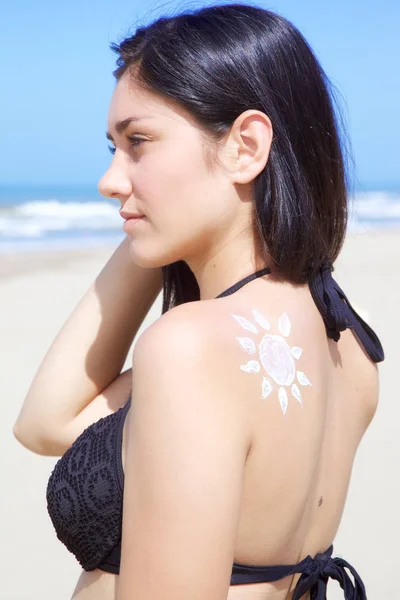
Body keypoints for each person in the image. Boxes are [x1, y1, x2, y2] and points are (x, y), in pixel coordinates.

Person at [13, 4, 384, 600]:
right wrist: (151, 234)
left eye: (138, 142)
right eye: (112, 147)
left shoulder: (193, 349)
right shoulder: (350, 351)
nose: (110, 179)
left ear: (246, 146)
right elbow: (49, 423)